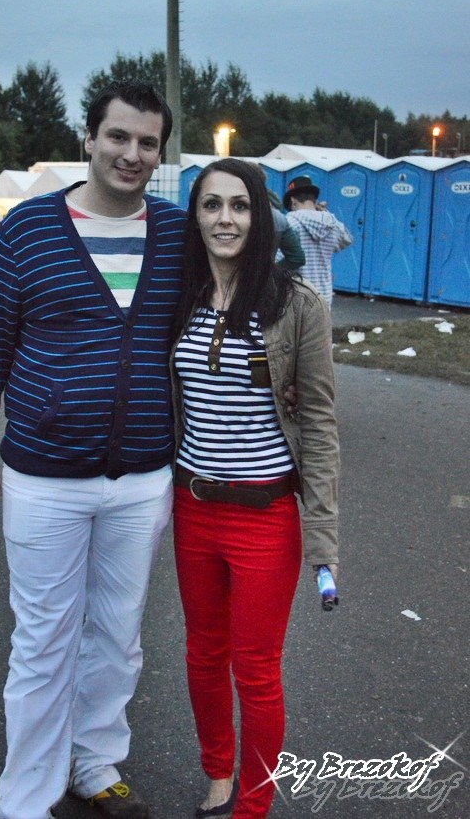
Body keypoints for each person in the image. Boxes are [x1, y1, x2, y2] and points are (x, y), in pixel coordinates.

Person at [0, 82, 186, 819]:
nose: (132, 154)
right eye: (118, 136)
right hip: (45, 476)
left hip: (143, 476)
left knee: (118, 637)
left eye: (147, 142)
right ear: (89, 138)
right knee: (44, 642)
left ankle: (94, 762)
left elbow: (239, 295)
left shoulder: (177, 232)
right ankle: (26, 796)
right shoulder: (30, 228)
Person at [171, 158, 340, 818]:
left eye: (239, 206)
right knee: (202, 654)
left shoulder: (296, 305)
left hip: (265, 515)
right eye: (211, 205)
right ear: (195, 216)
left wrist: (323, 537)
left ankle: (253, 802)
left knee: (257, 669)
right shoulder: (176, 294)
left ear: (260, 217)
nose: (225, 219)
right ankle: (218, 772)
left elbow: (319, 425)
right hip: (193, 506)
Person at [283, 175, 352, 307]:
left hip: (296, 298)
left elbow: (279, 261)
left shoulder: (289, 222)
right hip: (324, 297)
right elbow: (347, 240)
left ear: (292, 200)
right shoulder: (331, 222)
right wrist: (324, 213)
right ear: (314, 200)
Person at [265, 185, 305, 272]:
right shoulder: (280, 218)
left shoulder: (291, 220)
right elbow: (297, 258)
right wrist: (270, 272)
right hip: (263, 277)